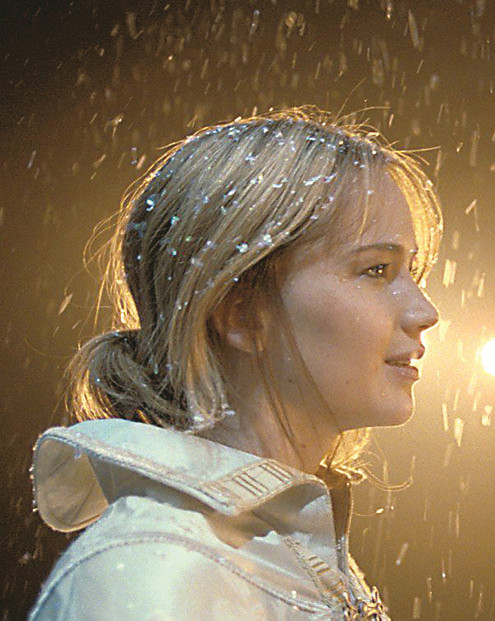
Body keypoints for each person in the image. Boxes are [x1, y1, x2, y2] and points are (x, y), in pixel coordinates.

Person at [29, 109, 441, 620]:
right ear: (242, 313)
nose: (425, 311)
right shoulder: (151, 573)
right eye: (376, 269)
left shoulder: (284, 548)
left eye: (413, 271)